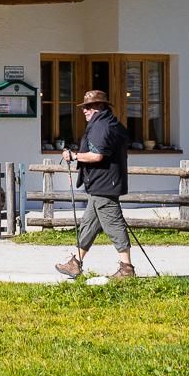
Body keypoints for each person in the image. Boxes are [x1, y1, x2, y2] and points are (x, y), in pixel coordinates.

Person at [55, 90, 135, 280]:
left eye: (89, 107)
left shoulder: (101, 126)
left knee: (114, 224)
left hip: (104, 184)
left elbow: (97, 155)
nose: (85, 110)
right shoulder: (111, 123)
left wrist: (74, 156)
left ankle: (127, 268)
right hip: (104, 182)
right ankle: (75, 264)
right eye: (84, 107)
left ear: (100, 107)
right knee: (89, 224)